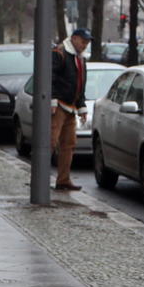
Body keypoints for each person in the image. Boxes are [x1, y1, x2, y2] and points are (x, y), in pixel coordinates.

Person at [49, 27, 90, 191]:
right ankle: (40, 179)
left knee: (69, 143)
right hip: (59, 105)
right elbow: (50, 76)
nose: (85, 44)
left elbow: (80, 83)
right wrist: (52, 100)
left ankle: (63, 180)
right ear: (73, 39)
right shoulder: (60, 53)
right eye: (83, 41)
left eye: (87, 42)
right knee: (50, 142)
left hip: (71, 106)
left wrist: (81, 106)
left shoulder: (80, 58)